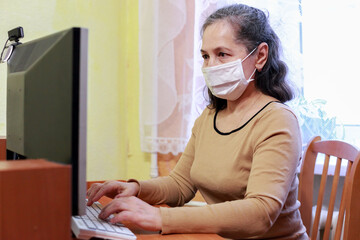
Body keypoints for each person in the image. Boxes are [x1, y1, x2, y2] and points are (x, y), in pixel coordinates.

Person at [87, 3, 309, 239]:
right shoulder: (210, 116)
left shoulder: (277, 120)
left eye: (222, 54)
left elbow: (260, 213)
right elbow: (180, 185)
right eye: (205, 56)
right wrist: (135, 189)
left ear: (260, 56)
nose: (210, 66)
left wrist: (160, 217)